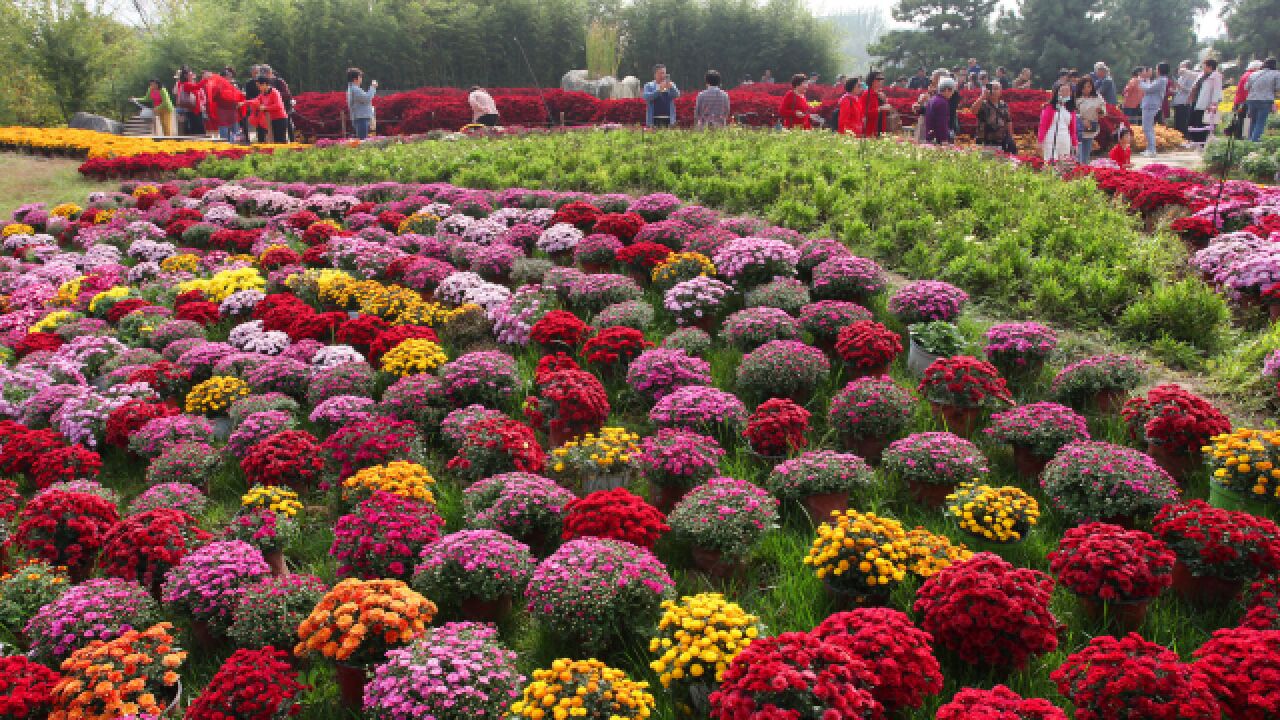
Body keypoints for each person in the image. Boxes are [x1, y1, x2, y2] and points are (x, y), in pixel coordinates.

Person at [200, 69, 245, 141]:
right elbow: (213, 97)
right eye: (228, 76)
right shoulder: (216, 86)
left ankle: (234, 144)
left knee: (235, 130)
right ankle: (225, 144)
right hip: (222, 110)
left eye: (230, 76)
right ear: (223, 77)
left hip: (232, 110)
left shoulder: (232, 85)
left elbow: (238, 96)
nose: (230, 78)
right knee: (225, 129)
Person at [1038, 81, 1078, 162]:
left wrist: (1075, 144)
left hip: (1065, 140)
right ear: (1057, 92)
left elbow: (1072, 130)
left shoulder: (1071, 110)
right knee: (1051, 163)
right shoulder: (1049, 107)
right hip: (1051, 139)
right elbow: (1043, 126)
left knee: (1064, 164)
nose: (1065, 93)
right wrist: (1040, 141)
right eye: (1062, 91)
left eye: (1068, 91)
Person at [1187, 58, 1223, 143]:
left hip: (1205, 103)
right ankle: (1194, 140)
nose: (1203, 67)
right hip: (1196, 101)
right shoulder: (1201, 75)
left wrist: (1213, 104)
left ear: (1210, 67)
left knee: (1201, 123)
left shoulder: (1216, 76)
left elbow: (1216, 91)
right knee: (1192, 121)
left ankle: (1201, 141)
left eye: (1205, 66)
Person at [1245, 57, 1280, 143]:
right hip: (1265, 100)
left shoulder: (1254, 74)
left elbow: (1246, 87)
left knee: (1253, 121)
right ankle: (1255, 141)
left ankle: (1250, 140)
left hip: (1252, 99)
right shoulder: (1276, 74)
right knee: (1260, 121)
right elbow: (1278, 87)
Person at [245, 73, 289, 143]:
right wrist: (243, 103)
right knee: (272, 140)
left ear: (265, 84)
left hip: (280, 119)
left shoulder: (274, 92)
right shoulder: (263, 94)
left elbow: (278, 105)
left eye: (259, 86)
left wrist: (265, 108)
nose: (258, 88)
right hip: (270, 120)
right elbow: (255, 101)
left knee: (280, 140)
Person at [1140, 63, 1170, 157]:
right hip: (1150, 104)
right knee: (1149, 128)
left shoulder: (1161, 80)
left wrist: (1140, 81)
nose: (1155, 71)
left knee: (1147, 128)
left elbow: (1148, 89)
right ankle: (1150, 148)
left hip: (1151, 105)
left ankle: (1152, 150)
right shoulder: (1160, 80)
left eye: (1156, 69)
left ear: (1160, 70)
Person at [973, 82, 1013, 150]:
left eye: (996, 89)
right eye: (992, 89)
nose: (993, 91)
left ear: (1000, 92)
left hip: (1000, 141)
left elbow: (1008, 121)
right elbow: (973, 111)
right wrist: (983, 96)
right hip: (985, 142)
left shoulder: (1004, 105)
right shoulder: (983, 104)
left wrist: (1010, 138)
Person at [1075, 76, 1105, 163]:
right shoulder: (1077, 98)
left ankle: (1084, 170)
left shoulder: (1097, 97)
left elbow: (1103, 111)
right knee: (1078, 154)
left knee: (1086, 154)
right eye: (1084, 87)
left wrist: (1100, 111)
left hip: (1091, 128)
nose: (1086, 89)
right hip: (1079, 128)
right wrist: (1081, 120)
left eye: (1089, 86)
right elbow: (1073, 112)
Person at [262, 66, 295, 141]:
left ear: (269, 73)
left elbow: (287, 94)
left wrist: (275, 95)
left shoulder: (279, 81)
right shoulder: (266, 83)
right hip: (272, 109)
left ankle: (292, 141)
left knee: (287, 125)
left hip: (284, 107)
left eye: (264, 74)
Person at [346, 67, 377, 139]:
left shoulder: (353, 88)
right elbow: (367, 98)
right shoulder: (355, 89)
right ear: (355, 79)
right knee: (363, 141)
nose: (361, 78)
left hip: (360, 118)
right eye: (360, 77)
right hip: (361, 119)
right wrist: (373, 87)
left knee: (363, 140)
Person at [922, 77, 954, 143]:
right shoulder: (942, 103)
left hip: (930, 136)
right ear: (947, 89)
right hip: (938, 139)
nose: (952, 93)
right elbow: (942, 123)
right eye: (952, 90)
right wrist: (944, 140)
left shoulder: (932, 99)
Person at [172, 68, 202, 135]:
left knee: (191, 126)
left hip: (190, 107)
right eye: (191, 74)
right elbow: (198, 87)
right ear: (186, 76)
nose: (192, 76)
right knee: (195, 128)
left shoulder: (185, 83)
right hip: (191, 108)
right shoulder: (186, 84)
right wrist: (206, 79)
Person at [858, 71, 887, 137]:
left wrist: (885, 101)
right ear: (871, 81)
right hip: (870, 130)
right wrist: (880, 109)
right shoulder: (867, 95)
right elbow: (863, 113)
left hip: (880, 128)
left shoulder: (880, 94)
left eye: (882, 79)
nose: (881, 81)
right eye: (878, 79)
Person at [1172, 60, 1197, 134]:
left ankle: (1184, 137)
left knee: (1183, 122)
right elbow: (1178, 90)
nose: (1179, 68)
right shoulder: (1180, 77)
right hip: (1177, 102)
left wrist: (1181, 87)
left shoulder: (1192, 77)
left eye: (1182, 66)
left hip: (1185, 102)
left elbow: (1191, 90)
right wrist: (1173, 91)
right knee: (1177, 121)